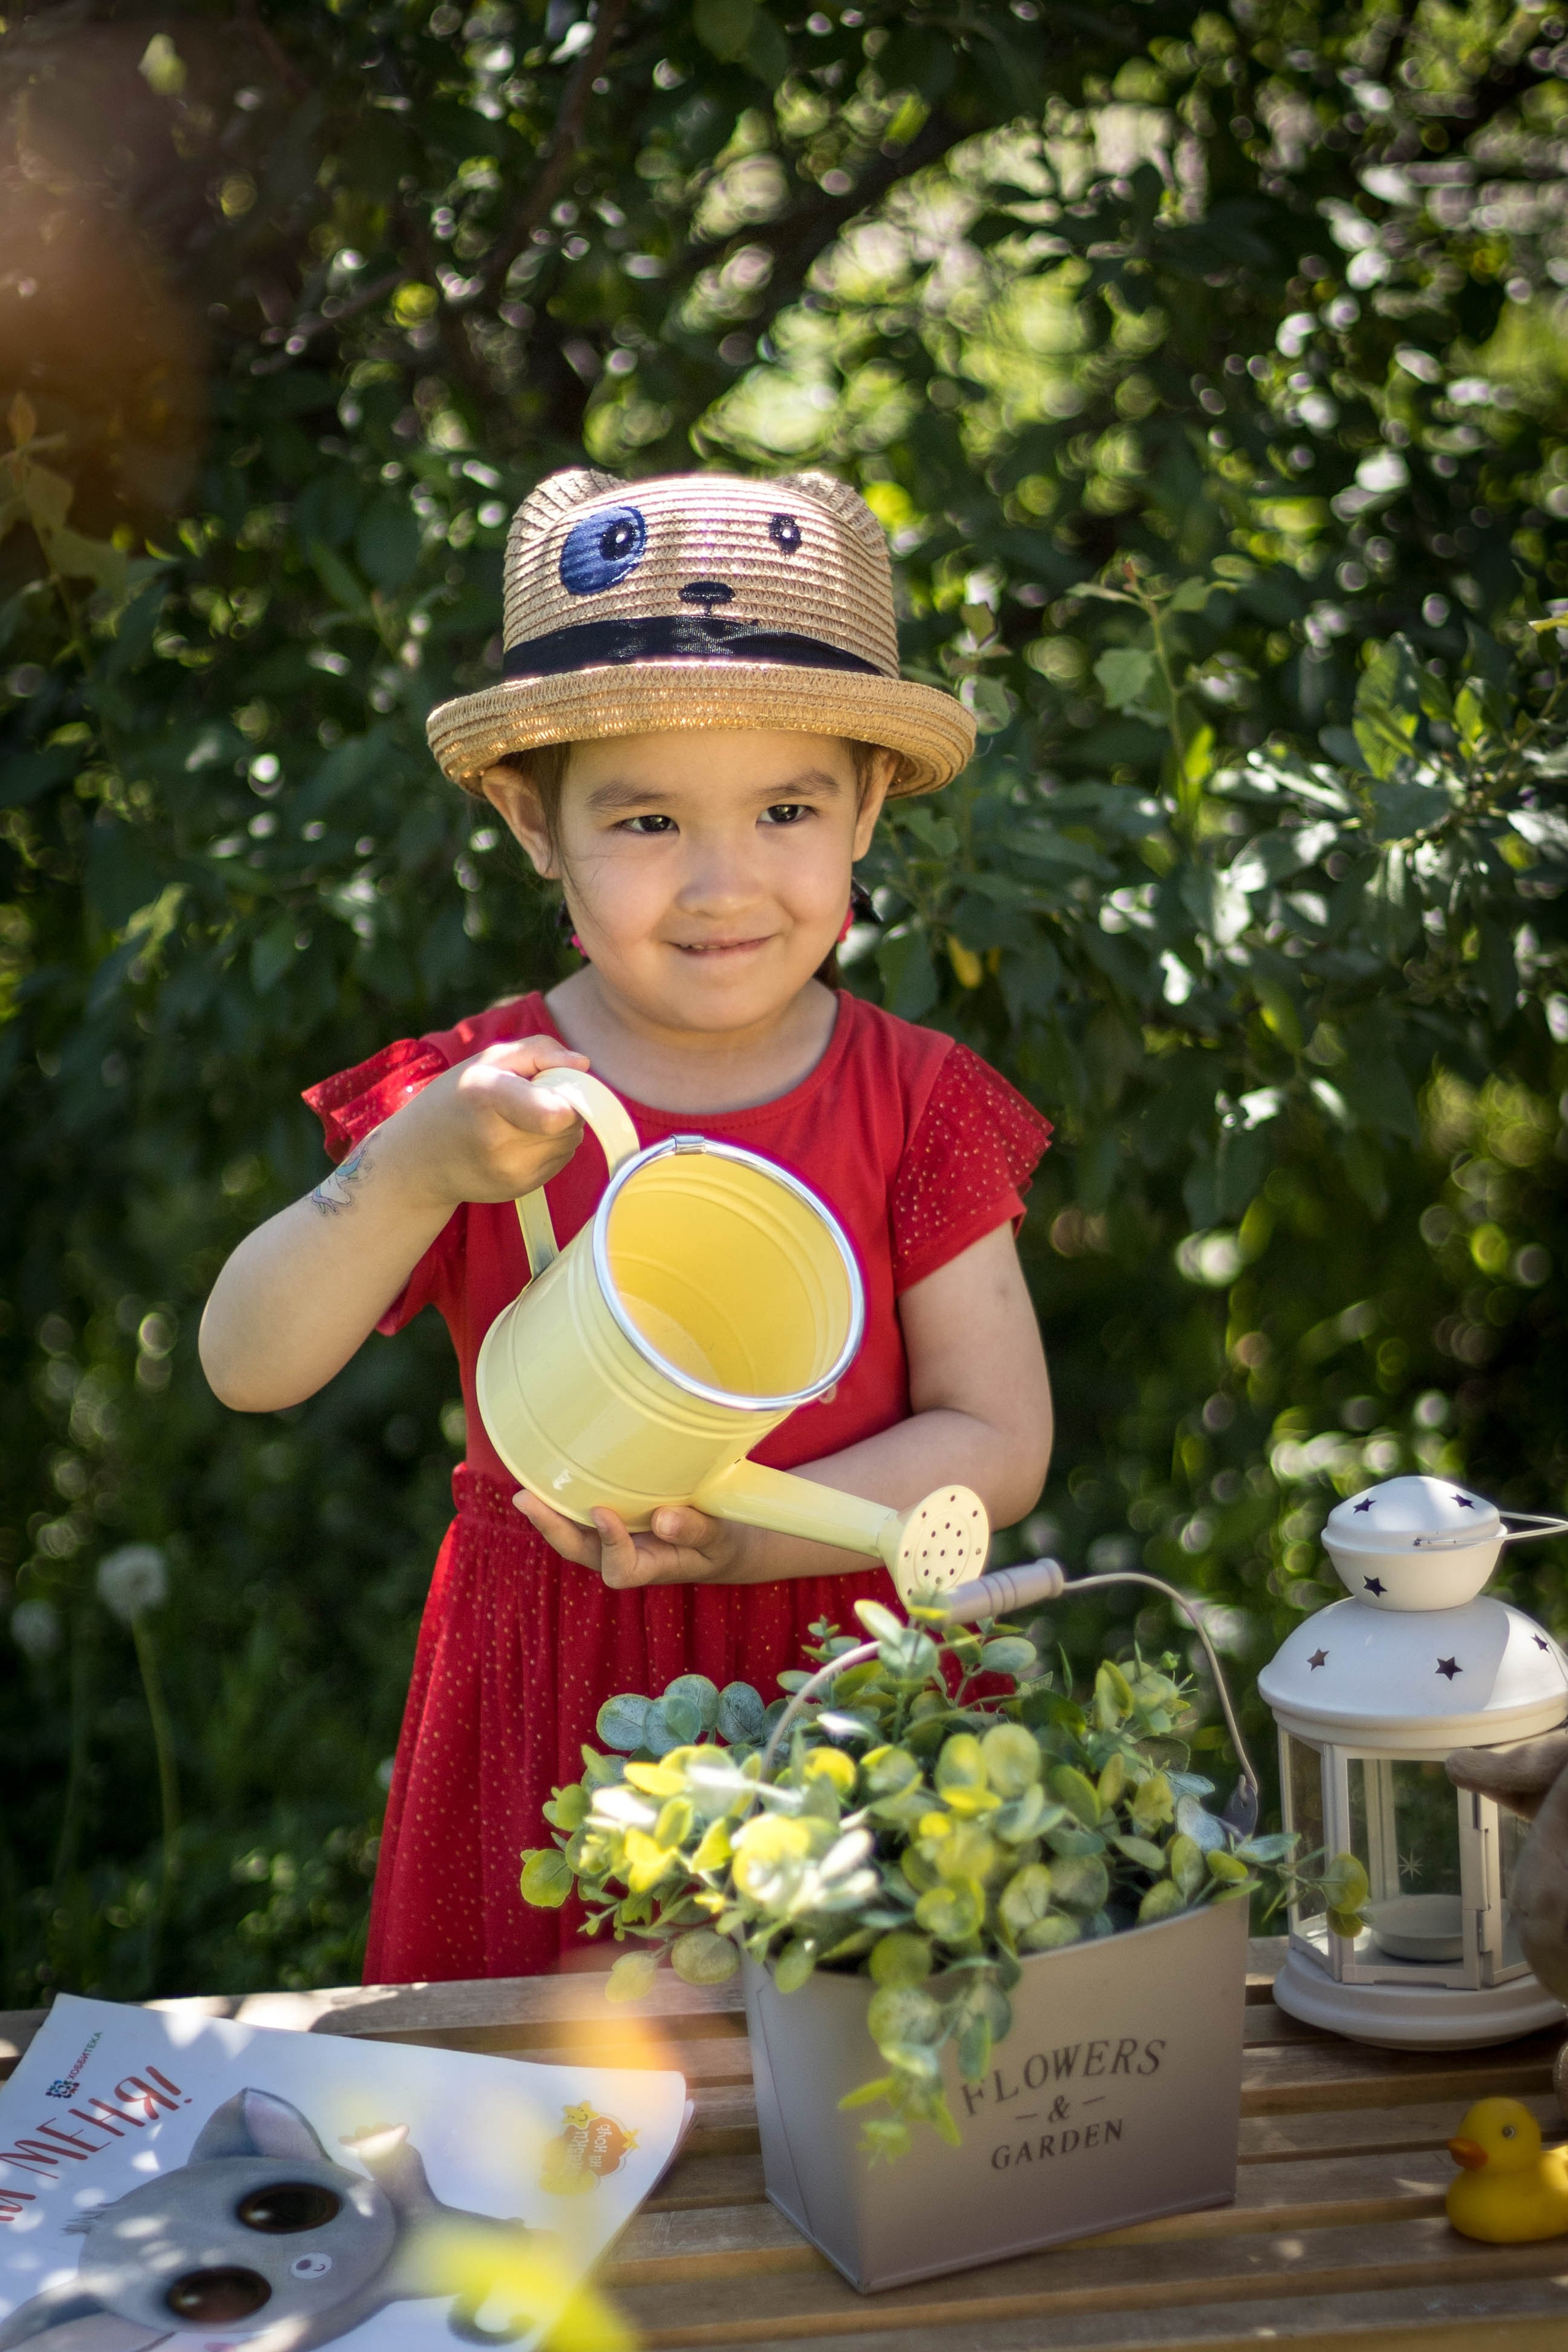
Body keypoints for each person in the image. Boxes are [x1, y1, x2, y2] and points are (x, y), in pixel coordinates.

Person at [199, 465, 1055, 1986]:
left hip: (845, 1677)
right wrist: (403, 1172)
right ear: (537, 826)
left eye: (786, 808)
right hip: (556, 1681)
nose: (723, 884)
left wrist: (742, 1539)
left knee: (865, 2101)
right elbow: (246, 1363)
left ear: (864, 805)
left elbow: (995, 1437)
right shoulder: (487, 1105)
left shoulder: (915, 1102)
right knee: (542, 2125)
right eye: (647, 817)